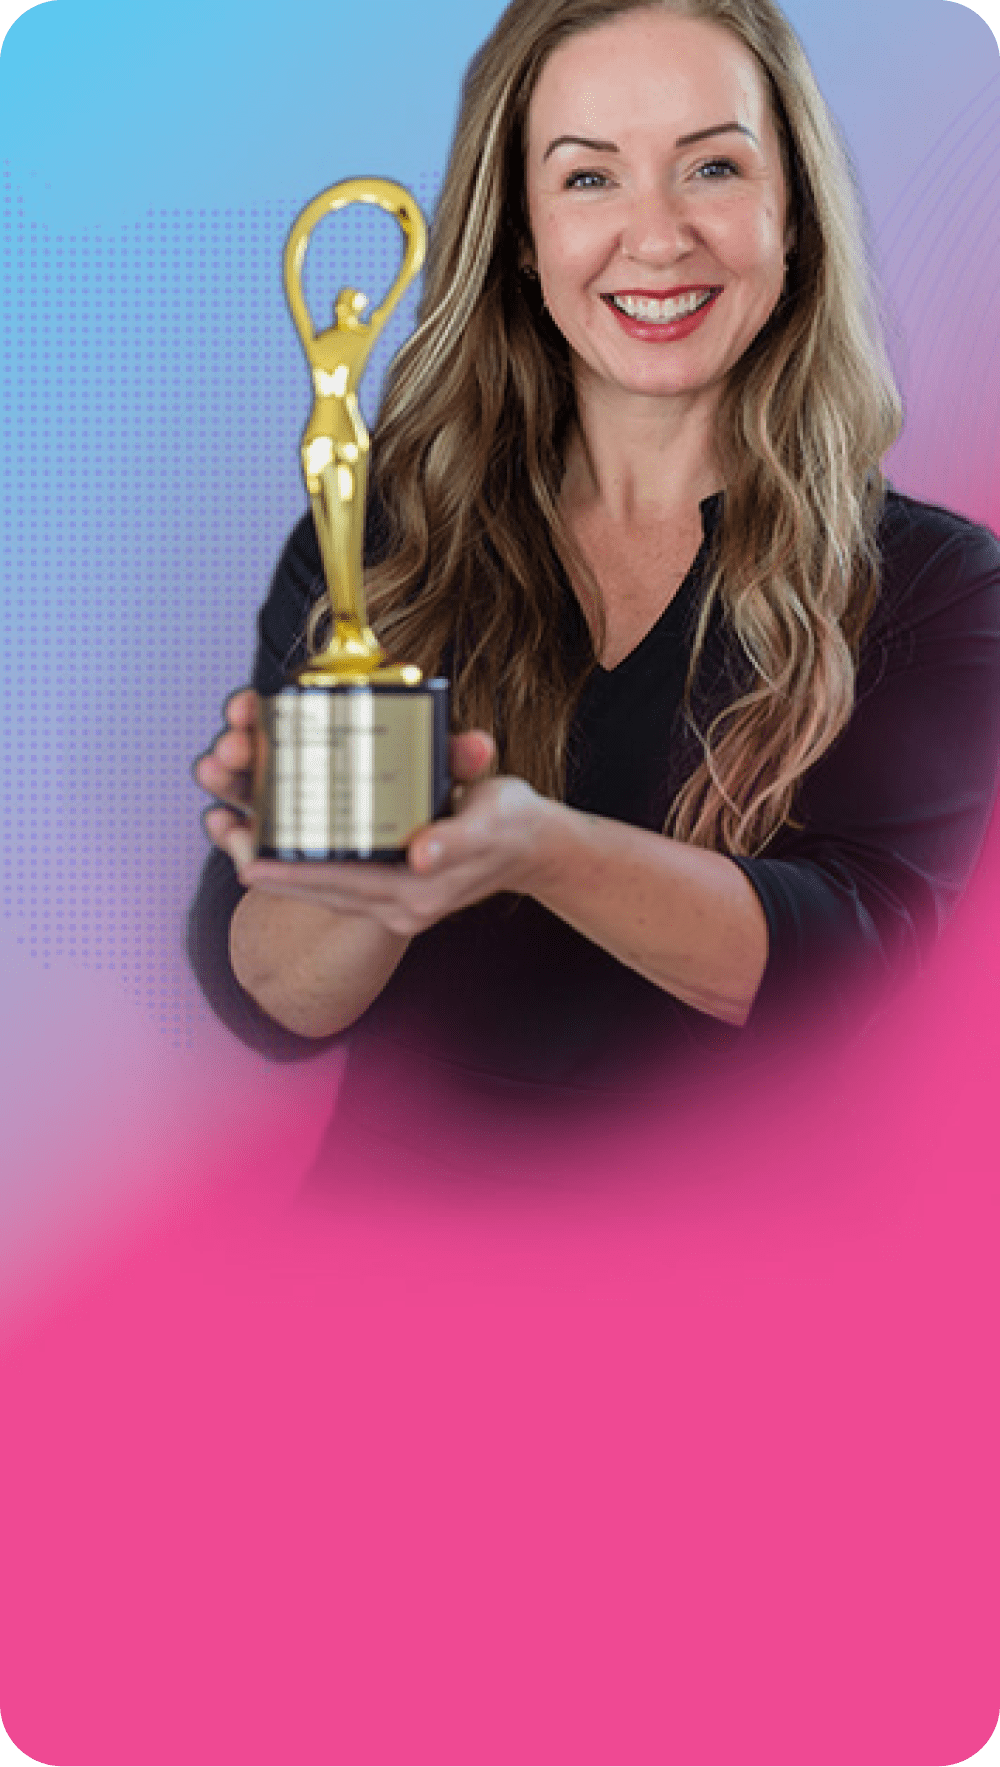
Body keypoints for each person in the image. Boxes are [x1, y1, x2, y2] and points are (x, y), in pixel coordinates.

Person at [189, 0, 1000, 1180]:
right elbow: (269, 999)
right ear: (519, 231)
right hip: (378, 1286)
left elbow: (852, 974)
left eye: (711, 167)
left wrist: (534, 848)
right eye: (588, 180)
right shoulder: (374, 550)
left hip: (745, 1298)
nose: (658, 237)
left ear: (794, 216)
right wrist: (367, 870)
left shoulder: (937, 585)